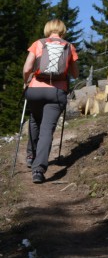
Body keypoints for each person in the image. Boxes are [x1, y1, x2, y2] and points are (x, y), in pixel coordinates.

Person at [21, 19, 79, 184]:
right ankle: (38, 170)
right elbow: (75, 74)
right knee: (46, 130)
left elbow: (27, 68)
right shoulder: (69, 46)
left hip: (35, 90)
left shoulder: (38, 43)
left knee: (34, 119)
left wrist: (26, 82)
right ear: (62, 30)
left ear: (48, 29)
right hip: (56, 93)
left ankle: (31, 155)